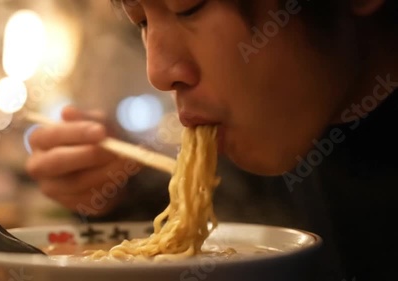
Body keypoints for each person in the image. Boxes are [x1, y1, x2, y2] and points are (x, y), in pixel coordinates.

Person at [26, 0, 398, 280]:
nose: (157, 72)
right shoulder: (283, 149)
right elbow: (234, 209)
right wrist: (114, 188)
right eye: (142, 22)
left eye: (189, 7)